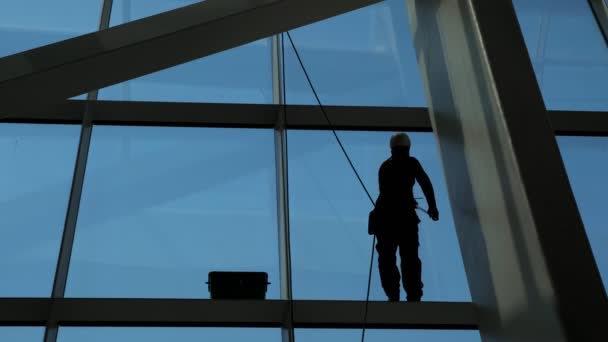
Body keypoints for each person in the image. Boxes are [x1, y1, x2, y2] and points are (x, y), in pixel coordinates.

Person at [371, 132, 439, 302]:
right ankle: (411, 295)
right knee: (407, 259)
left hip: (388, 220)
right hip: (402, 219)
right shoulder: (410, 163)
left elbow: (424, 182)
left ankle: (395, 294)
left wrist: (432, 205)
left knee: (391, 259)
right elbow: (424, 182)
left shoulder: (386, 167)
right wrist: (432, 206)